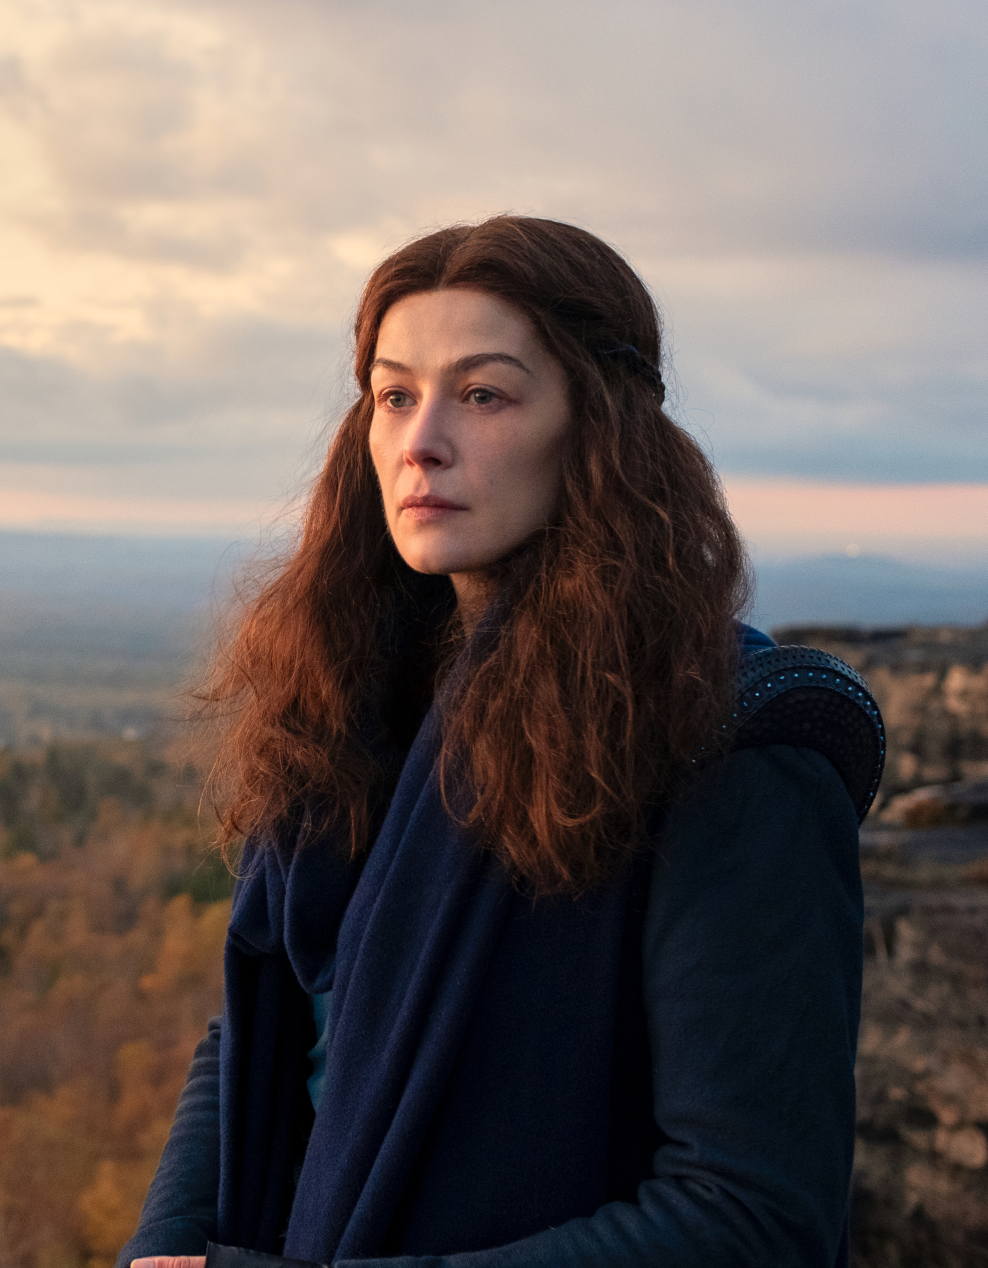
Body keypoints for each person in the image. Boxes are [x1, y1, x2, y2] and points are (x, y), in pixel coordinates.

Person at [118, 216, 884, 1268]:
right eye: (393, 395)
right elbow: (264, 1031)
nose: (419, 440)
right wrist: (161, 1251)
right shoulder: (357, 705)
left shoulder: (729, 746)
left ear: (597, 428)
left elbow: (749, 1217)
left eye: (481, 393)